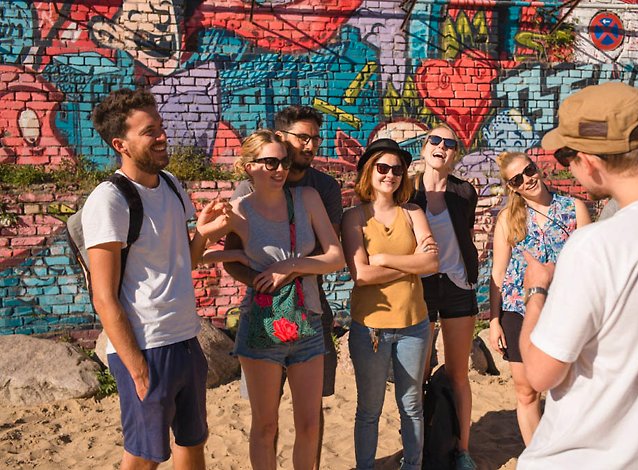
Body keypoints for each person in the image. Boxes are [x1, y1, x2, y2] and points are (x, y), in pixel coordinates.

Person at [517, 82, 638, 468]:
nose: (569, 170)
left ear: (590, 161)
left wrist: (536, 292)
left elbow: (540, 374)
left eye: (565, 157)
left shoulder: (598, 244)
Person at [83, 88, 229, 469]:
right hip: (145, 346)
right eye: (150, 131)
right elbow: (103, 297)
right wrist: (135, 367)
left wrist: (206, 233)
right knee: (145, 456)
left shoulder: (171, 185)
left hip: (185, 338)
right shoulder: (109, 199)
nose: (163, 136)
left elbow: (185, 260)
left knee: (193, 441)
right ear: (122, 144)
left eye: (161, 126)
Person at [205, 129, 344, 470]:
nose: (279, 169)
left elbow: (336, 257)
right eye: (270, 162)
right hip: (262, 324)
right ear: (248, 166)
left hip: (308, 320)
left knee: (310, 425)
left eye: (283, 161)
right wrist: (230, 257)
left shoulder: (307, 198)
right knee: (266, 425)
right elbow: (202, 253)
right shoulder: (236, 211)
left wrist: (291, 266)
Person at [341, 138, 439, 470]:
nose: (390, 175)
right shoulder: (353, 217)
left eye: (397, 169)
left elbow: (431, 264)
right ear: (369, 172)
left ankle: (412, 466)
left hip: (414, 325)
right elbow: (361, 275)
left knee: (411, 405)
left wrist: (383, 257)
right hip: (370, 328)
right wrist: (409, 261)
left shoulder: (413, 212)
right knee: (369, 409)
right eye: (383, 167)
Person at [488, 152, 591, 446]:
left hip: (564, 310)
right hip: (517, 310)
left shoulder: (574, 208)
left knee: (568, 388)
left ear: (537, 168)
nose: (527, 180)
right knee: (525, 390)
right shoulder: (509, 218)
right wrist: (494, 320)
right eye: (517, 179)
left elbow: (587, 265)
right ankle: (536, 456)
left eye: (529, 171)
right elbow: (498, 271)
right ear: (512, 187)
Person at [410, 125, 479, 469]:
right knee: (417, 373)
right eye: (434, 141)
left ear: (455, 154)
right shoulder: (407, 192)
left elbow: (464, 235)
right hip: (417, 287)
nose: (441, 146)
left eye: (449, 144)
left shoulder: (464, 192)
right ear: (424, 149)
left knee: (458, 373)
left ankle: (462, 450)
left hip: (455, 286)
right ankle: (418, 447)